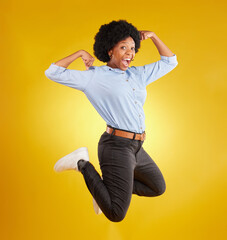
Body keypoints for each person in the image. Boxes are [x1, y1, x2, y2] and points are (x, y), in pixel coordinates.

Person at [45, 20, 178, 222]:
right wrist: (80, 53)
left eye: (133, 48)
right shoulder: (94, 77)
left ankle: (104, 191)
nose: (130, 53)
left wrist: (153, 36)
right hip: (116, 146)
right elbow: (53, 72)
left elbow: (170, 62)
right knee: (116, 213)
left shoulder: (137, 75)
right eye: (123, 47)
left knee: (157, 187)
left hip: (137, 146)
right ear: (110, 50)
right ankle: (81, 163)